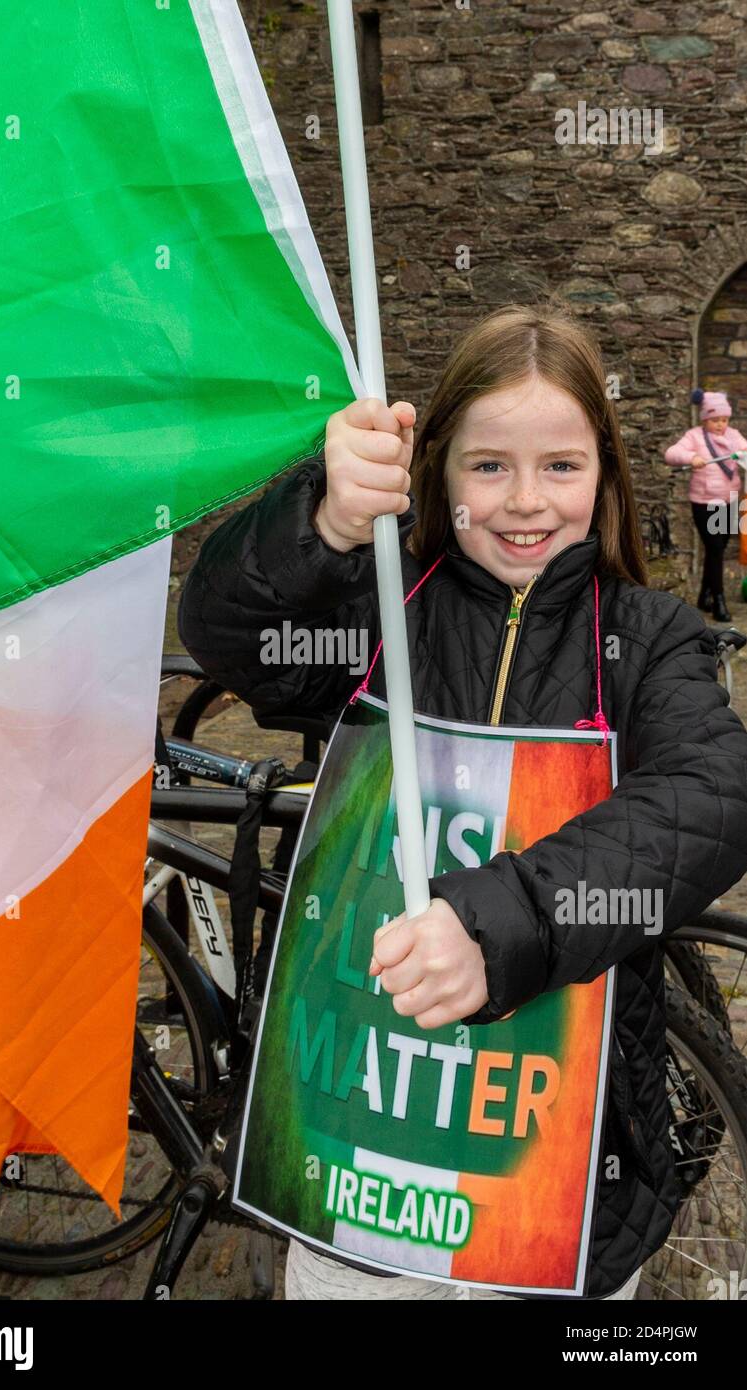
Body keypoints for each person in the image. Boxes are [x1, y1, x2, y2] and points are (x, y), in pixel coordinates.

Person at [178, 303, 747, 1301]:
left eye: (560, 466)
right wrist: (320, 521)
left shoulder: (649, 638)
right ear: (434, 473)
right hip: (358, 1167)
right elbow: (230, 629)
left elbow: (713, 792)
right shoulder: (377, 614)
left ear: (605, 476)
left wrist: (505, 922)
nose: (525, 500)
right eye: (488, 466)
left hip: (558, 1181)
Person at [665, 388, 747, 622]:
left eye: (724, 419)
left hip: (730, 500)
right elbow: (672, 453)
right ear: (705, 418)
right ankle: (719, 599)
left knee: (718, 547)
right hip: (705, 502)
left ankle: (704, 595)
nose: (720, 424)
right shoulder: (695, 437)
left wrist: (742, 453)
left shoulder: (733, 435)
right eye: (715, 420)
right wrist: (691, 458)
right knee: (715, 549)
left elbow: (745, 448)